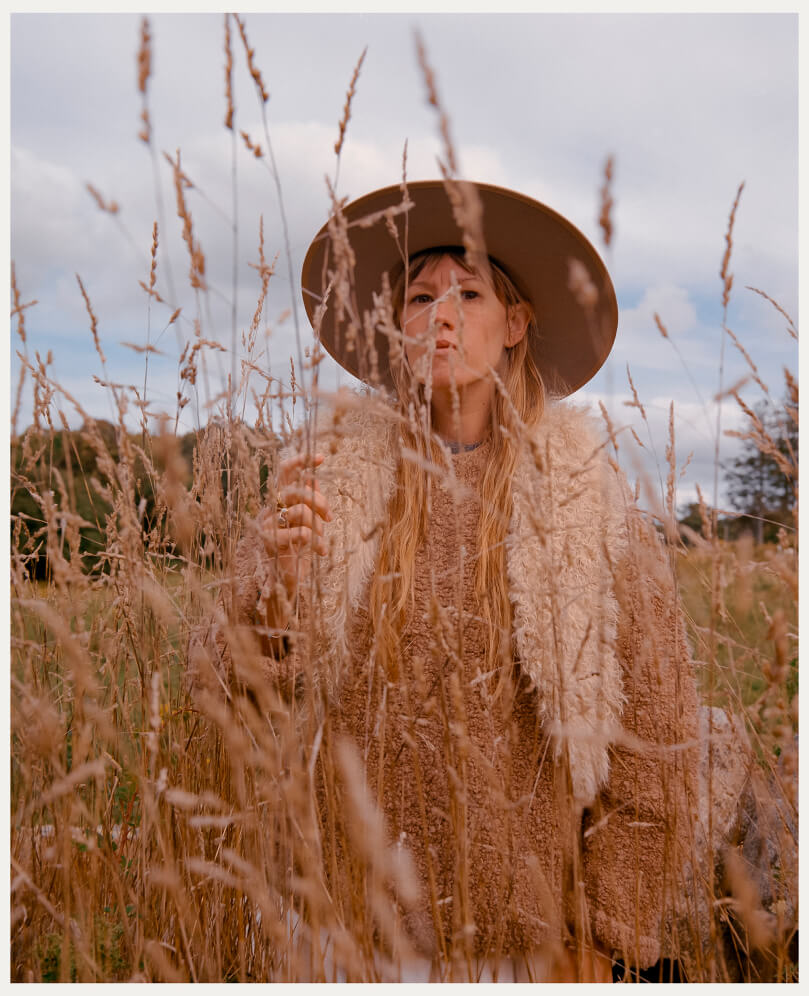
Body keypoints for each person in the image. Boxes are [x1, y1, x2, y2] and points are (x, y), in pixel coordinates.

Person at [200, 181, 700, 982]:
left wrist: (605, 934)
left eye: (469, 293)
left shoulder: (587, 508)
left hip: (525, 949)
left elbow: (657, 738)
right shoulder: (326, 488)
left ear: (513, 324)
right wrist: (274, 595)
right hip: (342, 940)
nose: (440, 314)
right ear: (392, 327)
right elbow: (229, 695)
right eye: (418, 296)